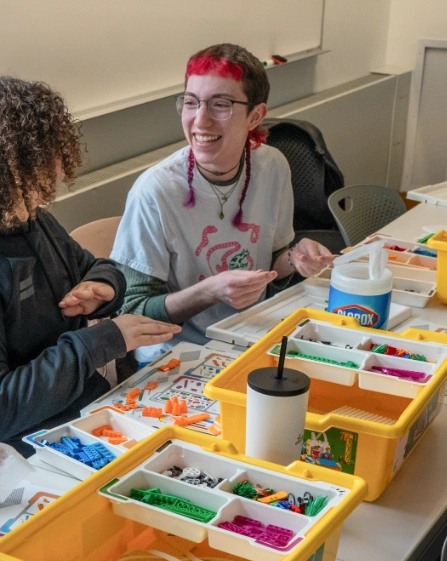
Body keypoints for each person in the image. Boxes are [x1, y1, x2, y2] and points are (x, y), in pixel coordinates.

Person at [0, 76, 179, 453]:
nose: (60, 171)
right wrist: (103, 341)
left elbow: (93, 267)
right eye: (44, 160)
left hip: (61, 413)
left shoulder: (26, 219)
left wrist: (103, 287)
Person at [112, 43, 334, 350]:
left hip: (253, 334)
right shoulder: (155, 191)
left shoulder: (272, 167)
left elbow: (270, 265)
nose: (200, 121)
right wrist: (210, 292)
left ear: (255, 116)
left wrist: (296, 257)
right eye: (191, 103)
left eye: (220, 104)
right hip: (181, 353)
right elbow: (133, 312)